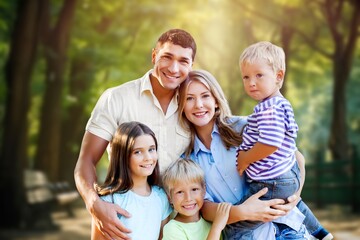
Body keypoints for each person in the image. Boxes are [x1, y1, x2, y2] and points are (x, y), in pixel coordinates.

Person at [74, 28, 197, 239]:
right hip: (125, 217)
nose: (174, 67)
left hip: (179, 224)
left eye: (183, 61)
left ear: (191, 65)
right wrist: (95, 204)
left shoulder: (194, 106)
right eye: (167, 57)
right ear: (154, 56)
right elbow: (86, 160)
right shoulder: (117, 98)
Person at [178, 69, 310, 239]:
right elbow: (204, 207)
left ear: (216, 100)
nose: (199, 105)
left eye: (205, 96)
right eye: (189, 98)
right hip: (245, 235)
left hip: (286, 228)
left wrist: (295, 195)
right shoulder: (188, 159)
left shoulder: (244, 127)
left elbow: (297, 158)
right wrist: (241, 212)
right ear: (181, 106)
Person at [236, 41, 333, 240]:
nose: (251, 82)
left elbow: (271, 143)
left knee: (238, 225)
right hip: (287, 172)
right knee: (294, 203)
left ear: (278, 76)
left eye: (259, 75)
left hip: (270, 180)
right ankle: (320, 232)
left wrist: (245, 159)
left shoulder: (267, 107)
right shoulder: (281, 104)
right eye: (246, 77)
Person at [91, 121, 172, 240]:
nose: (148, 158)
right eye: (137, 152)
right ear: (123, 156)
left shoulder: (161, 197)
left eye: (151, 149)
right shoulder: (109, 200)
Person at [162, 158, 231, 240]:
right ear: (169, 197)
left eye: (194, 189)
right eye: (180, 192)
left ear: (204, 190)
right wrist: (217, 227)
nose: (188, 198)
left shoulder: (209, 219)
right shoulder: (172, 229)